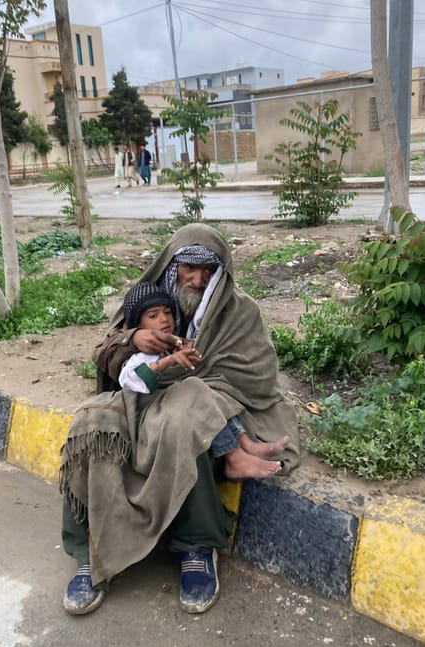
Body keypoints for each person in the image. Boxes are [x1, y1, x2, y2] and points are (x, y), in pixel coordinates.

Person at [59, 224, 300, 616]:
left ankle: (196, 546)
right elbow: (104, 354)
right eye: (190, 267)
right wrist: (131, 340)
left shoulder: (241, 312)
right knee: (89, 425)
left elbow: (254, 375)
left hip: (206, 402)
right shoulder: (143, 300)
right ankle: (89, 550)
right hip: (138, 398)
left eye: (208, 270)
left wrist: (184, 379)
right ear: (173, 264)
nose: (198, 279)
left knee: (186, 417)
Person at [118, 280, 288, 477]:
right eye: (153, 316)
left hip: (172, 399)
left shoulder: (170, 345)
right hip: (149, 408)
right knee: (196, 392)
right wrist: (168, 362)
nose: (164, 319)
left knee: (210, 389)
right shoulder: (141, 354)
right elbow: (130, 379)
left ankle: (245, 444)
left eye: (168, 312)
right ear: (138, 326)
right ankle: (233, 457)